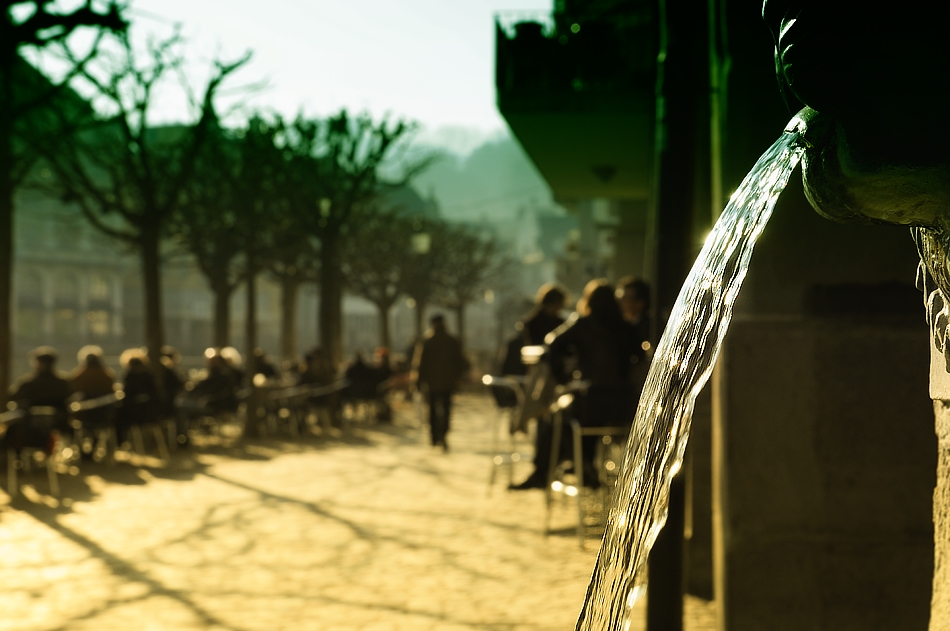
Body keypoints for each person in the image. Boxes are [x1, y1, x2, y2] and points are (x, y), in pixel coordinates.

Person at [511, 282, 645, 490]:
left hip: (590, 399)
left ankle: (552, 470)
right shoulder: (627, 328)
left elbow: (552, 344)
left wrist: (564, 379)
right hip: (623, 404)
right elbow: (639, 356)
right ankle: (583, 466)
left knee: (558, 415)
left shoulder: (583, 324)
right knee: (577, 417)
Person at [413, 314, 469, 452]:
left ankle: (434, 437)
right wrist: (459, 377)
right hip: (448, 382)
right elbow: (461, 362)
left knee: (432, 410)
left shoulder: (428, 341)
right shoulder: (452, 341)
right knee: (446, 409)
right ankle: (443, 435)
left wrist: (418, 381)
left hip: (431, 383)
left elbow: (421, 364)